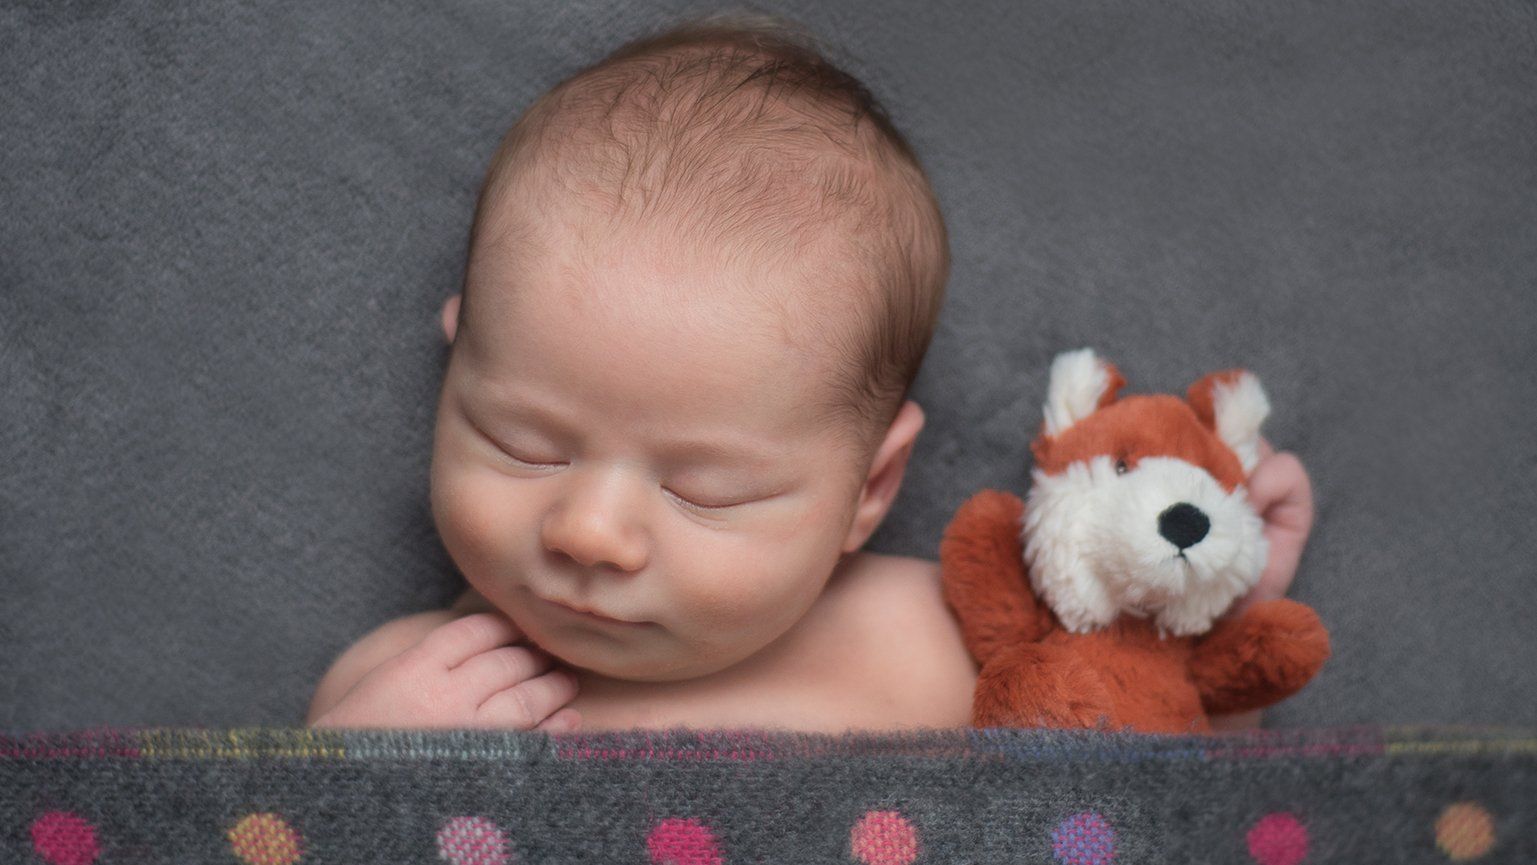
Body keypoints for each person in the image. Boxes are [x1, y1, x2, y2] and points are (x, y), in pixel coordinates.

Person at [306, 11, 1314, 734]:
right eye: (520, 443)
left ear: (869, 488)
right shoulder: (405, 690)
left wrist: (1202, 621)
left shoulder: (941, 646)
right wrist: (364, 779)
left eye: (704, 488)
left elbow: (1157, 781)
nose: (589, 532)